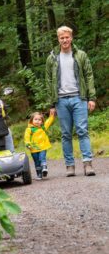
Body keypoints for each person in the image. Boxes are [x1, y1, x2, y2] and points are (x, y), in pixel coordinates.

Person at [45, 25, 96, 176]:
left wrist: (91, 97)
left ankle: (88, 164)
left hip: (79, 98)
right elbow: (48, 81)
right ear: (58, 39)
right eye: (62, 38)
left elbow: (89, 76)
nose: (65, 40)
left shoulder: (80, 55)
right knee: (66, 134)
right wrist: (51, 103)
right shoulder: (52, 58)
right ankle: (70, 166)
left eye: (67, 37)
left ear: (71, 38)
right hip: (60, 101)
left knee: (82, 131)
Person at [24, 112, 55, 180]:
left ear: (42, 121)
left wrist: (52, 116)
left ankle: (44, 169)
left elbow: (48, 122)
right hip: (33, 149)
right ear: (32, 120)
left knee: (42, 158)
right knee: (37, 162)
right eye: (35, 119)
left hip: (43, 147)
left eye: (39, 120)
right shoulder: (29, 129)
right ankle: (39, 174)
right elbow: (27, 137)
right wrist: (28, 144)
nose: (37, 121)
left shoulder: (43, 128)